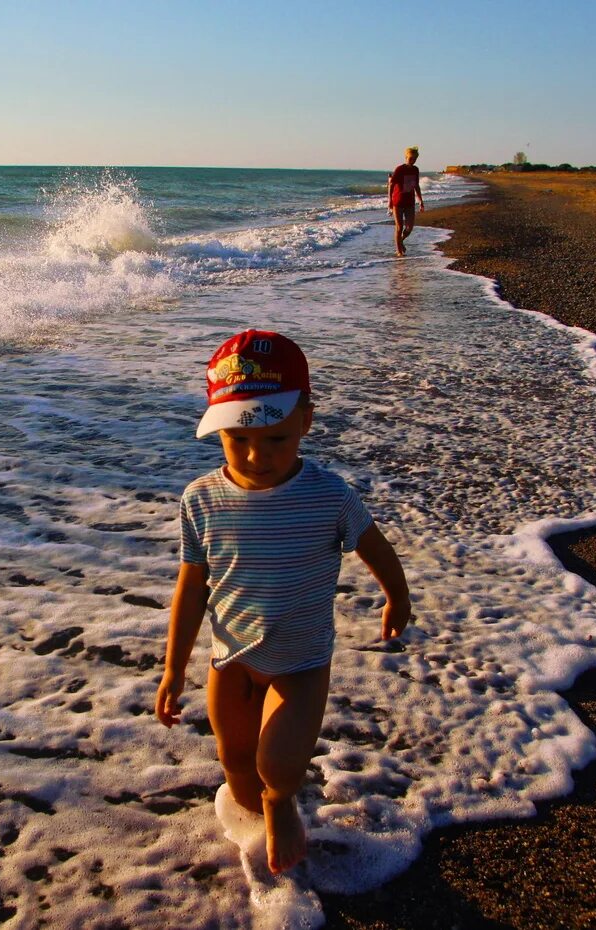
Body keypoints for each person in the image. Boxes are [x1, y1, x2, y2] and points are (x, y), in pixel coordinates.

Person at [155, 330, 412, 876]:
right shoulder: (200, 499)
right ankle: (255, 814)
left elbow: (375, 547)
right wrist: (174, 668)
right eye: (238, 439)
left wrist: (397, 596)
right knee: (237, 767)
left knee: (277, 767)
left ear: (305, 421)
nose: (257, 454)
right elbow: (192, 587)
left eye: (275, 438)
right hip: (232, 661)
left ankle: (282, 801)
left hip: (300, 661)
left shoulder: (328, 495)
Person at [387, 146, 425, 256]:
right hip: (398, 202)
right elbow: (391, 184)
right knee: (399, 227)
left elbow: (416, 186)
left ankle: (401, 240)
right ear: (406, 157)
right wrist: (389, 200)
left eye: (414, 159)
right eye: (410, 158)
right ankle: (399, 252)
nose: (412, 161)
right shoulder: (399, 169)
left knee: (409, 227)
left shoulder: (415, 170)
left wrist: (420, 200)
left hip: (410, 202)